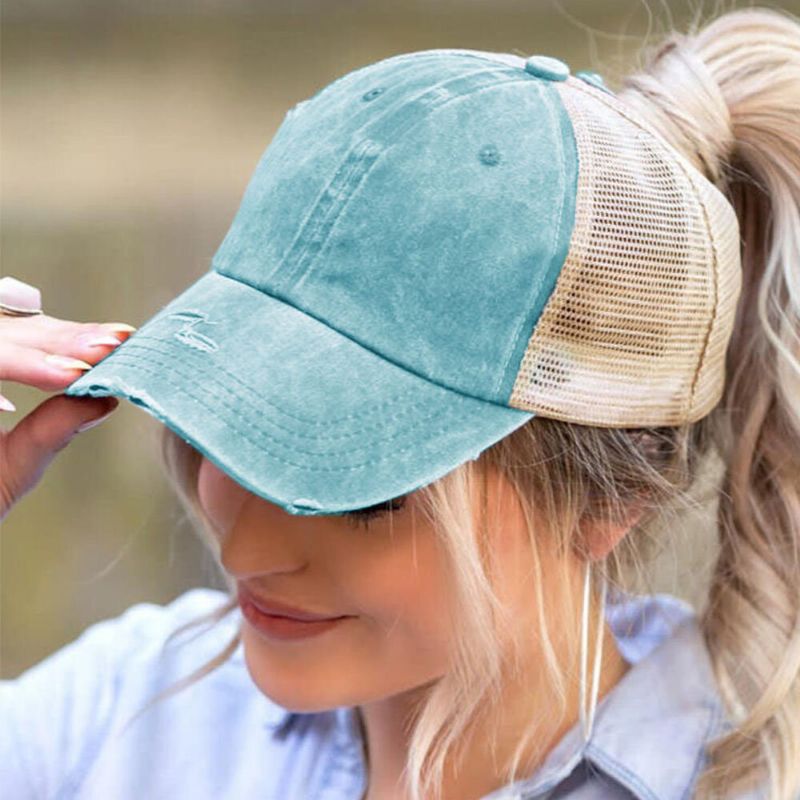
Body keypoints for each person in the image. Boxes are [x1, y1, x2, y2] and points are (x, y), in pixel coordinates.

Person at [1, 6, 799, 800]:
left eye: (364, 491)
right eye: (232, 421)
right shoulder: (134, 710)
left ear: (609, 501)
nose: (243, 554)